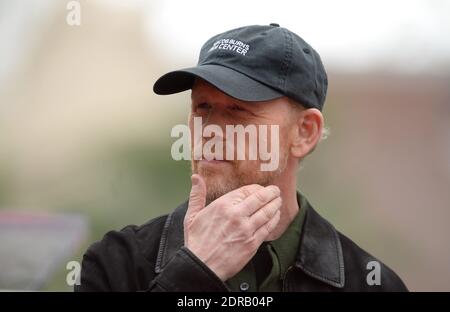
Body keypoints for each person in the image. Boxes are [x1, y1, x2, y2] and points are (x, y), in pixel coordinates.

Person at [75, 24, 408, 292]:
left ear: (305, 132)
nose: (211, 131)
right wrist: (192, 274)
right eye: (202, 107)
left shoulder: (370, 283)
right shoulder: (114, 265)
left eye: (238, 110)